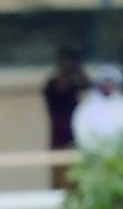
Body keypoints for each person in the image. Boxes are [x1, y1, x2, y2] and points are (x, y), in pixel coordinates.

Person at [43, 47, 89, 190]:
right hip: (59, 140)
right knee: (59, 182)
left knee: (76, 182)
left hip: (76, 140)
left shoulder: (75, 85)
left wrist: (78, 70)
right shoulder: (51, 85)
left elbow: (88, 85)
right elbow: (59, 88)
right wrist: (65, 73)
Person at [73, 64, 123, 154]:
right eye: (105, 82)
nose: (108, 85)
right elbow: (82, 132)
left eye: (111, 82)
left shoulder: (120, 104)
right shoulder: (86, 107)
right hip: (94, 155)